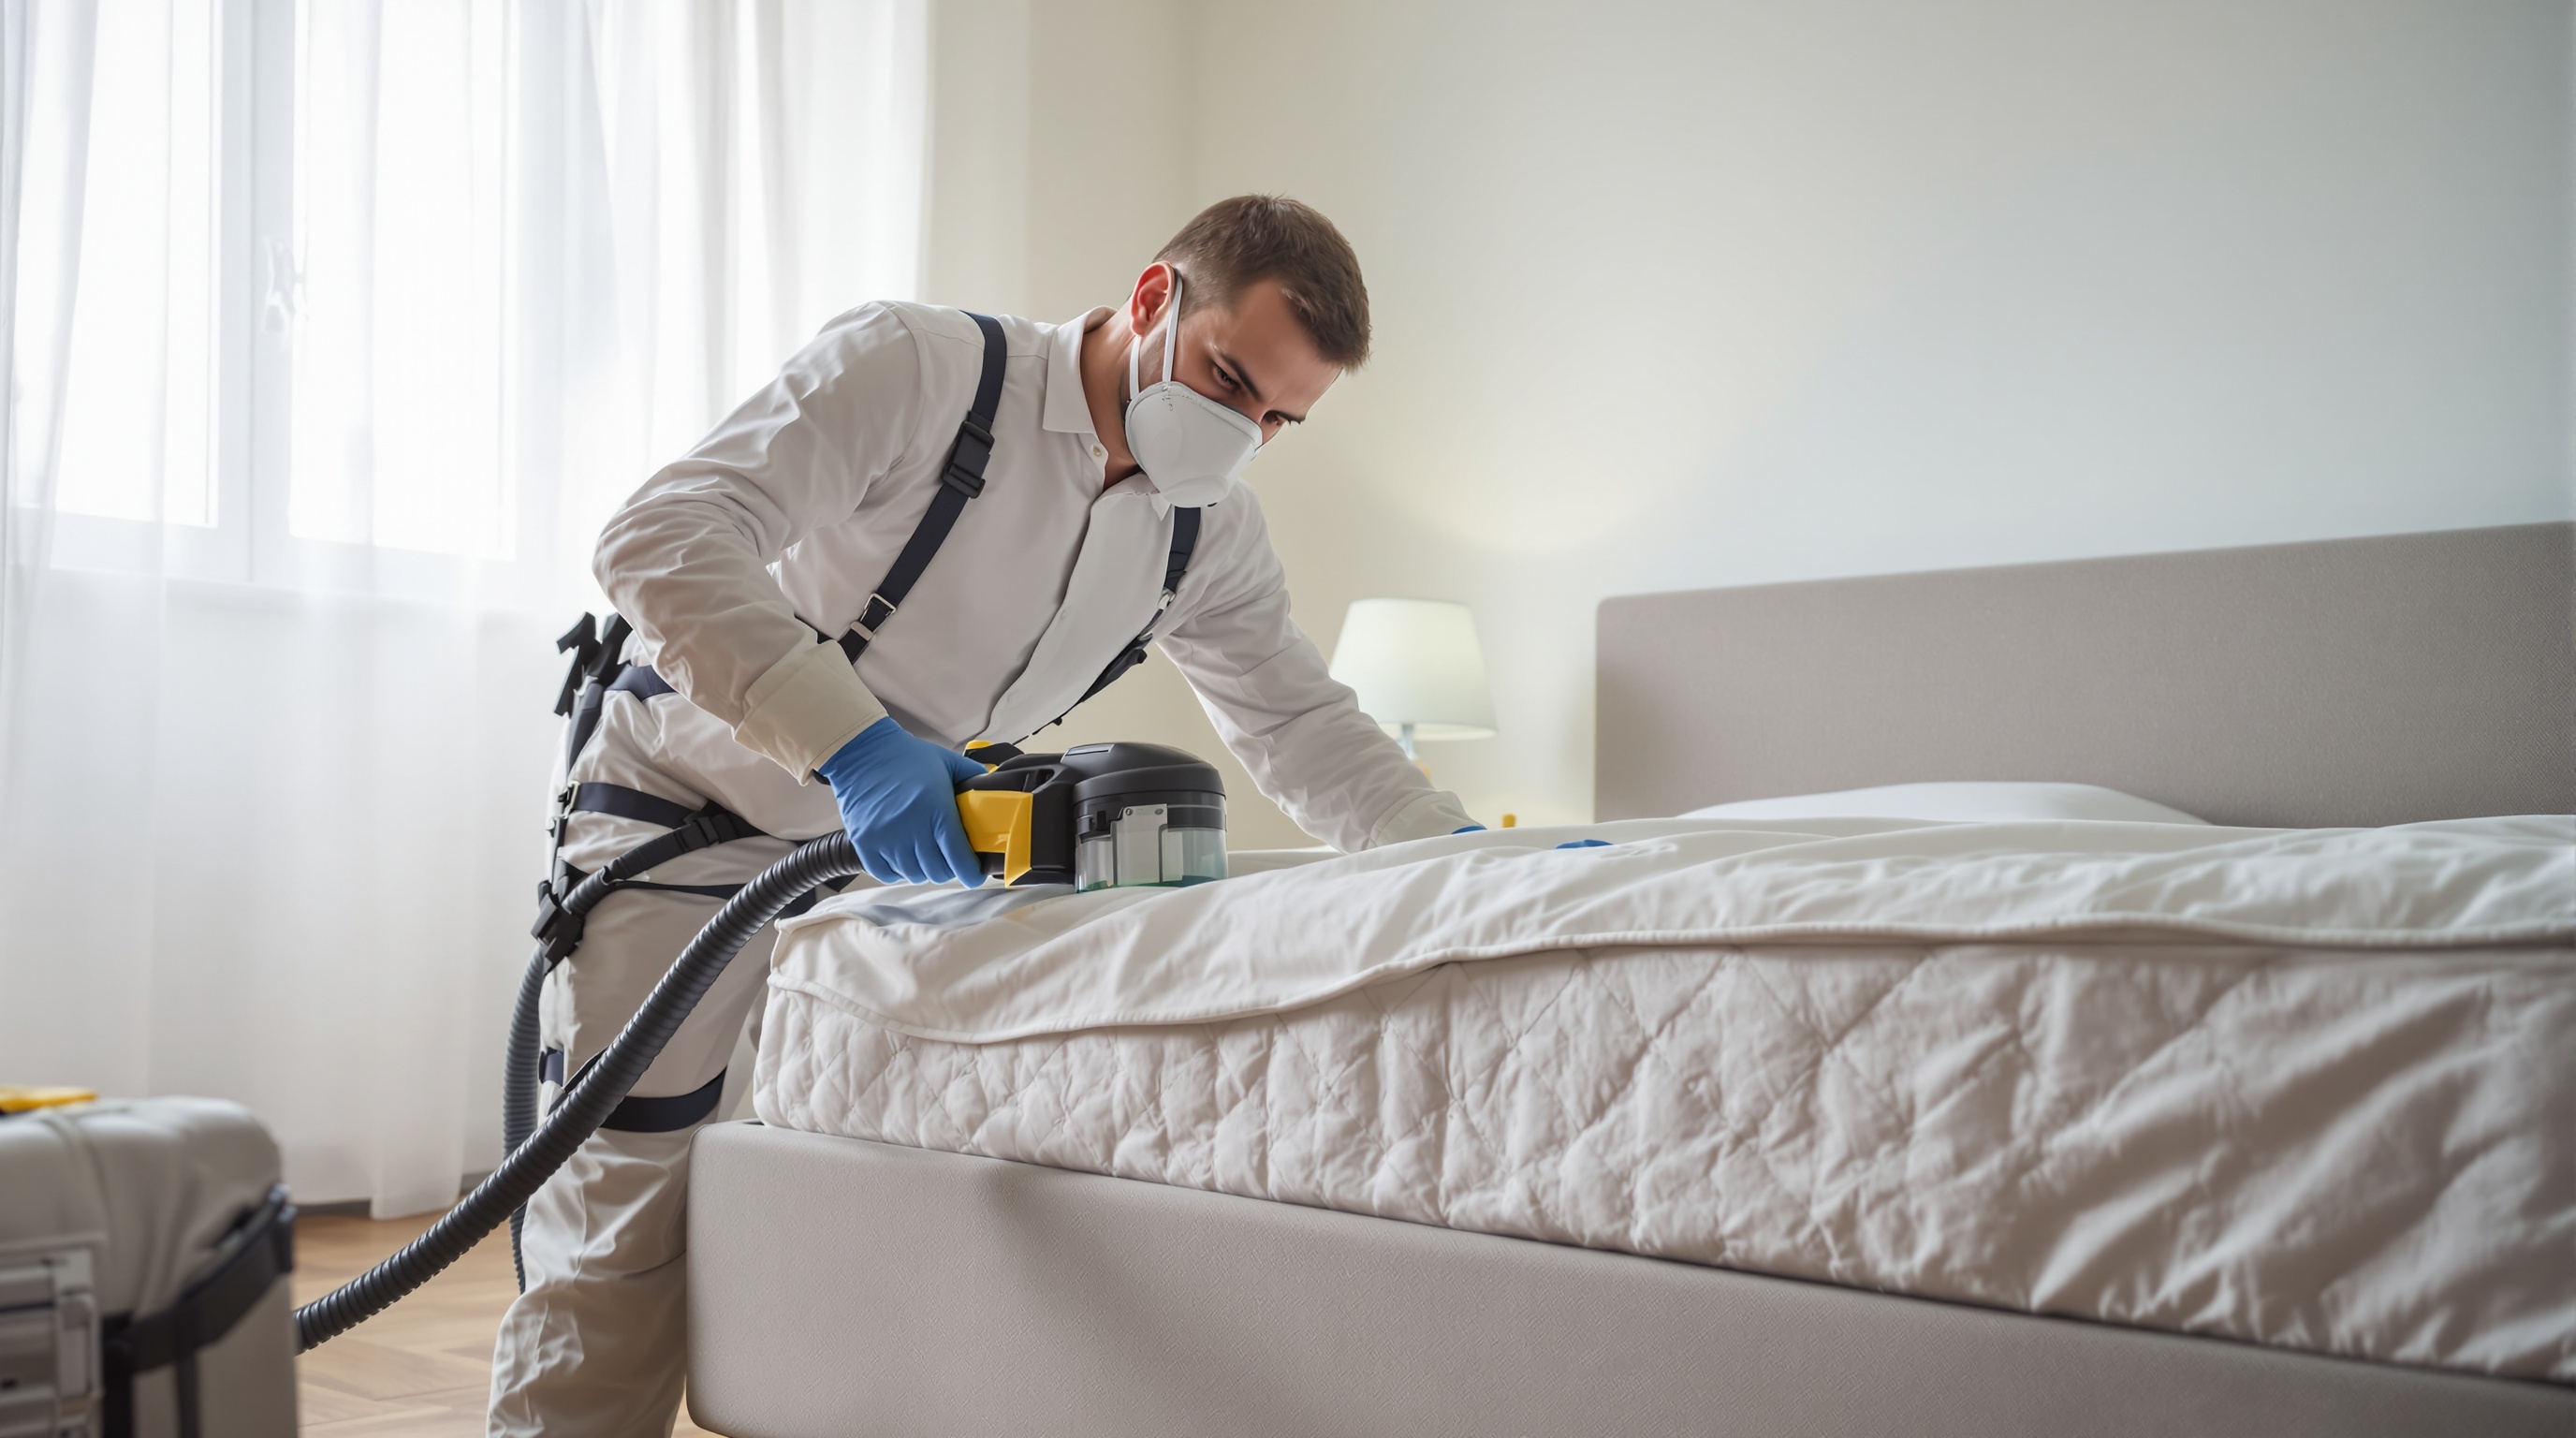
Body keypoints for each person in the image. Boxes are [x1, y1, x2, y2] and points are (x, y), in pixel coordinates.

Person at [487, 195, 1478, 1435]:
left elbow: (1298, 722)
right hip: (692, 813)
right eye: (1229, 379)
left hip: (898, 869)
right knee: (624, 1211)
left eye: (1277, 419)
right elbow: (661, 537)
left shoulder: (1207, 532)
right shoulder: (922, 371)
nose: (1239, 432)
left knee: (860, 1204)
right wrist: (854, 745)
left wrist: (1464, 858)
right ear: (1155, 299)